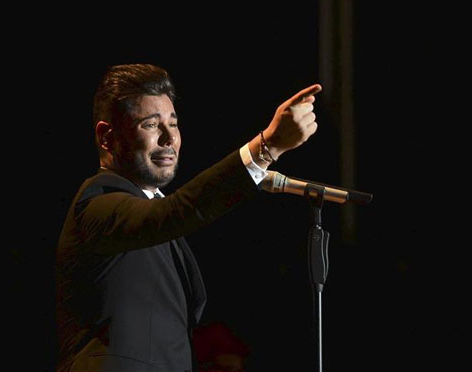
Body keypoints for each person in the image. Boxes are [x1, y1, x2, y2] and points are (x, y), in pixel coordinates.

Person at [55, 64, 321, 372]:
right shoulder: (96, 204)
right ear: (107, 138)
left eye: (174, 123)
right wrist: (265, 148)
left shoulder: (151, 212)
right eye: (151, 125)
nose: (169, 138)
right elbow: (176, 213)